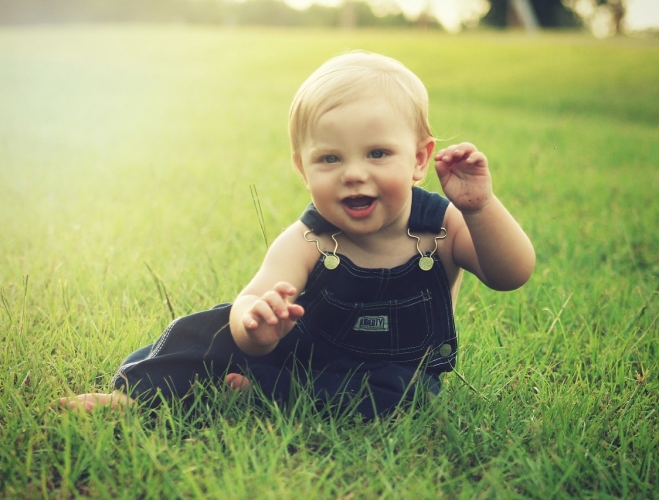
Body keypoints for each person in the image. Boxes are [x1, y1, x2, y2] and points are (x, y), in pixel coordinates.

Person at [59, 51, 535, 418]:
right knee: (209, 329)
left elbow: (510, 274)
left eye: (377, 153)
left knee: (405, 395)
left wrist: (481, 208)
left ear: (418, 158)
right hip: (299, 355)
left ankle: (260, 393)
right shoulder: (308, 240)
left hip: (390, 376)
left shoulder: (444, 226)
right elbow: (254, 298)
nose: (353, 173)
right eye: (330, 159)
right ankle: (137, 395)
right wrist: (257, 326)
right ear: (302, 169)